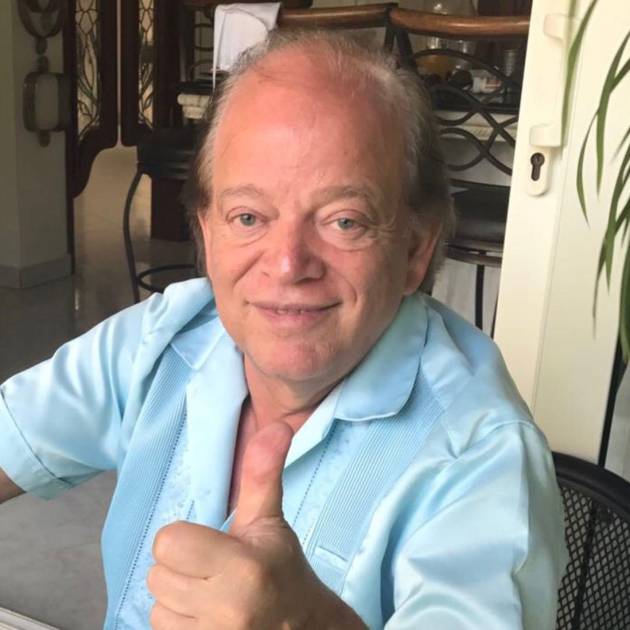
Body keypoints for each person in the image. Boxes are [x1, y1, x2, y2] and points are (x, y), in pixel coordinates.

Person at [0, 30, 566, 630]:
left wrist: (312, 622)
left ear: (414, 251)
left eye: (344, 221)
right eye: (248, 216)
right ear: (208, 234)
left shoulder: (482, 455)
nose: (288, 264)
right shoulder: (167, 338)